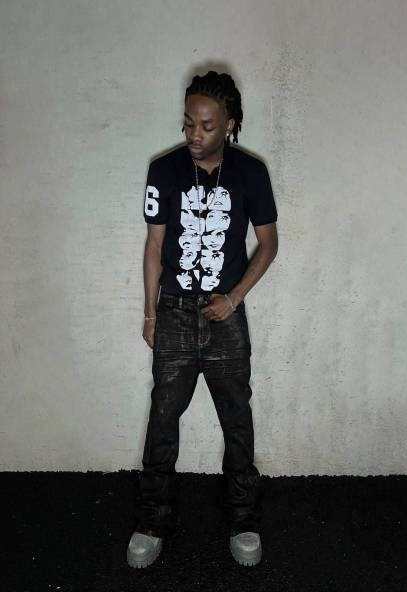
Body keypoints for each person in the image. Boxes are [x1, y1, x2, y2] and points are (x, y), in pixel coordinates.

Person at [127, 70, 278, 569]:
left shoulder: (250, 173)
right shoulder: (164, 170)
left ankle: (243, 518)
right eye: (190, 122)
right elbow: (154, 246)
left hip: (224, 316)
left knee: (237, 418)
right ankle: (153, 520)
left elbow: (269, 243)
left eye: (208, 126)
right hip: (173, 310)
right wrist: (150, 312)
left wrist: (233, 299)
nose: (195, 134)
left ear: (230, 124)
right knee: (162, 419)